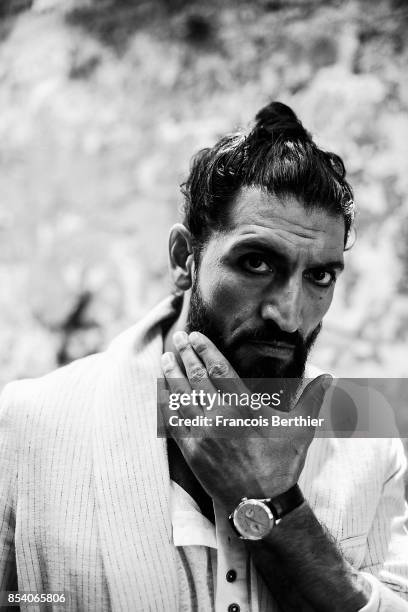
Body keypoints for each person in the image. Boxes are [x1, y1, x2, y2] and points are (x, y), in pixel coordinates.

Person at [0, 102, 407, 611]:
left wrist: (273, 503)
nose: (289, 313)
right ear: (184, 259)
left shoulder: (369, 433)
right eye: (256, 262)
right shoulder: (31, 422)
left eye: (320, 276)